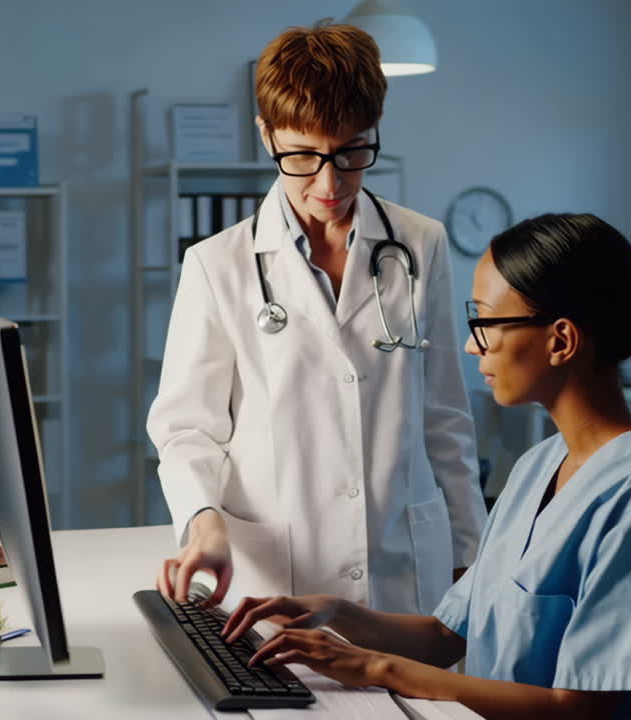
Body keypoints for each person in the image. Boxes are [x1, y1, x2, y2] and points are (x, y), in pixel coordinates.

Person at [220, 213, 631, 718]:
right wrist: (336, 612)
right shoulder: (537, 467)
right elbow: (446, 635)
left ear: (561, 340)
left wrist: (377, 668)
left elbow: (582, 708)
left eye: (484, 322)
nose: (470, 344)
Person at [148, 20, 487, 615]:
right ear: (267, 136)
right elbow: (186, 428)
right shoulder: (216, 265)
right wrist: (204, 524)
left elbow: (444, 416)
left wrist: (471, 548)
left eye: (353, 151)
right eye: (304, 155)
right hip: (276, 572)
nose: (331, 183)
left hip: (402, 567)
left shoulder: (420, 244)